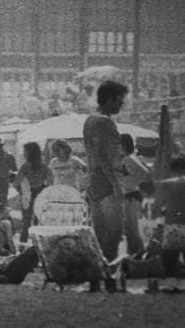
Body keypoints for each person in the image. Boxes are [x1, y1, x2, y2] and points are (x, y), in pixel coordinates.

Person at [83, 78, 128, 261]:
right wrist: (115, 183)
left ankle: (99, 271)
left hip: (94, 181)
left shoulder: (90, 120)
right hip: (106, 182)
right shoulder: (104, 122)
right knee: (114, 231)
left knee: (100, 232)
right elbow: (101, 155)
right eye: (119, 102)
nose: (121, 106)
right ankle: (108, 269)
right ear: (109, 99)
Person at [153, 154, 185, 278]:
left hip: (172, 228)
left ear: (171, 169)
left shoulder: (165, 184)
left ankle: (181, 276)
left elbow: (156, 210)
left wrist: (165, 214)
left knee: (169, 269)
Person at [118, 132, 153, 257]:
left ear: (123, 145)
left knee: (131, 229)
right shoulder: (127, 159)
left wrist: (133, 180)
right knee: (130, 229)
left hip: (131, 195)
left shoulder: (128, 160)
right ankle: (136, 254)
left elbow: (145, 174)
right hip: (130, 195)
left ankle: (136, 255)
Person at [16, 140, 51, 241]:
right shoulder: (44, 167)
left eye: (25, 152)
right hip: (40, 194)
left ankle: (23, 243)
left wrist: (22, 191)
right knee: (38, 220)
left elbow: (16, 183)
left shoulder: (25, 167)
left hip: (27, 195)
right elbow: (50, 182)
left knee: (26, 222)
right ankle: (36, 243)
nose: (24, 154)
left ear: (30, 153)